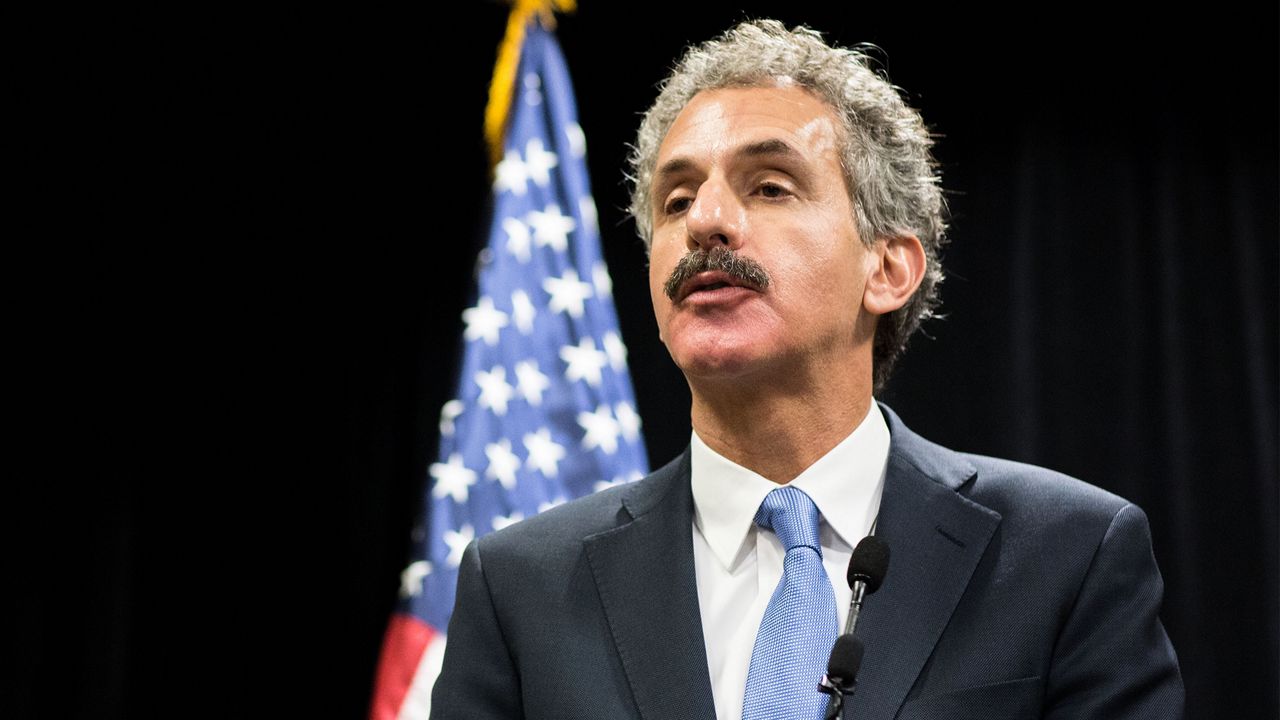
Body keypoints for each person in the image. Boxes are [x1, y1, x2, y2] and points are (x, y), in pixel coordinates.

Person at [430, 19, 1183, 719]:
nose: (705, 220)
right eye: (677, 197)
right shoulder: (518, 589)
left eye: (769, 187)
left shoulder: (1066, 556)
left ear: (887, 269)